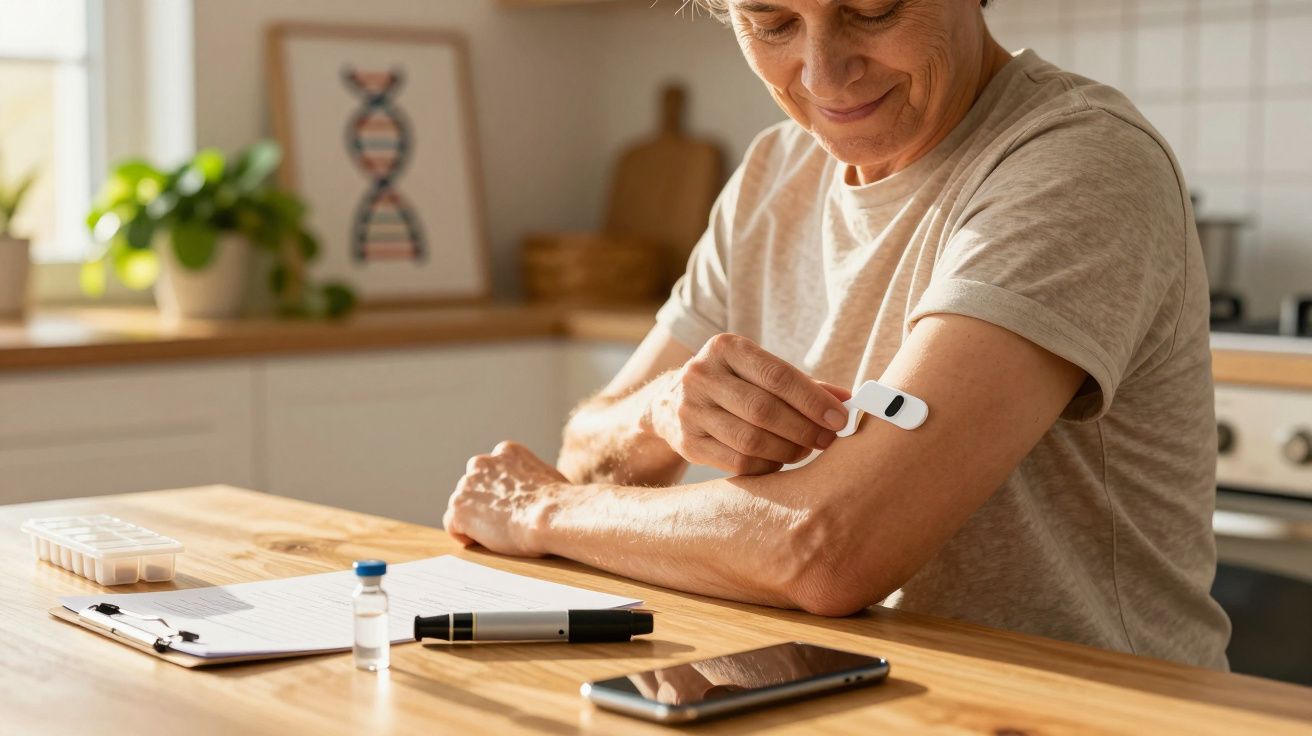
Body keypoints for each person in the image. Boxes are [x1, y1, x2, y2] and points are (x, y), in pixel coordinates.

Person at [443, 0, 1231, 668]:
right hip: (846, 691)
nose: (822, 74)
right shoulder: (774, 171)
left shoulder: (1079, 162)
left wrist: (540, 511)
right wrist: (660, 414)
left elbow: (825, 550)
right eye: (772, 21)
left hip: (1090, 708)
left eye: (872, 9)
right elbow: (588, 457)